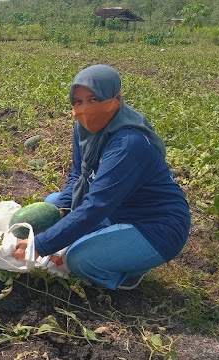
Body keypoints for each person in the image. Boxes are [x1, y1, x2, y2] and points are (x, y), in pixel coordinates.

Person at [13, 64, 190, 290]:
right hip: (117, 209)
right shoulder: (83, 129)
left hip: (156, 226)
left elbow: (97, 204)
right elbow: (78, 175)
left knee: (80, 259)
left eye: (93, 100)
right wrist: (63, 210)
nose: (85, 109)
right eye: (78, 102)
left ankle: (126, 273)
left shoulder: (127, 143)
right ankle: (112, 246)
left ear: (114, 98)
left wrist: (40, 244)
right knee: (52, 204)